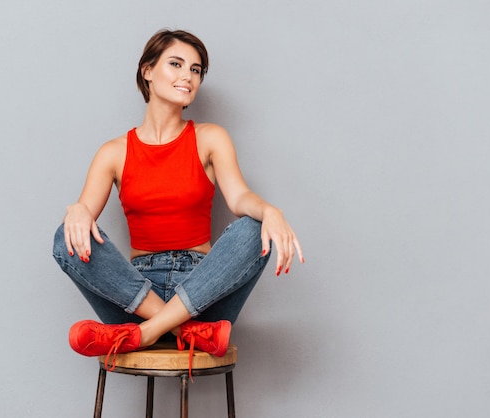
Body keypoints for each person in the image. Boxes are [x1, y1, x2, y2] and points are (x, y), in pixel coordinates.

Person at [52, 29, 304, 371]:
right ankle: (185, 331)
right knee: (63, 236)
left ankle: (148, 332)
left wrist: (270, 211)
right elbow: (82, 226)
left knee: (252, 229)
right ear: (148, 71)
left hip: (204, 292)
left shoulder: (210, 138)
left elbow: (240, 196)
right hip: (136, 296)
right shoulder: (113, 153)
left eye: (196, 69)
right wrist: (77, 210)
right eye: (176, 64)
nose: (188, 76)